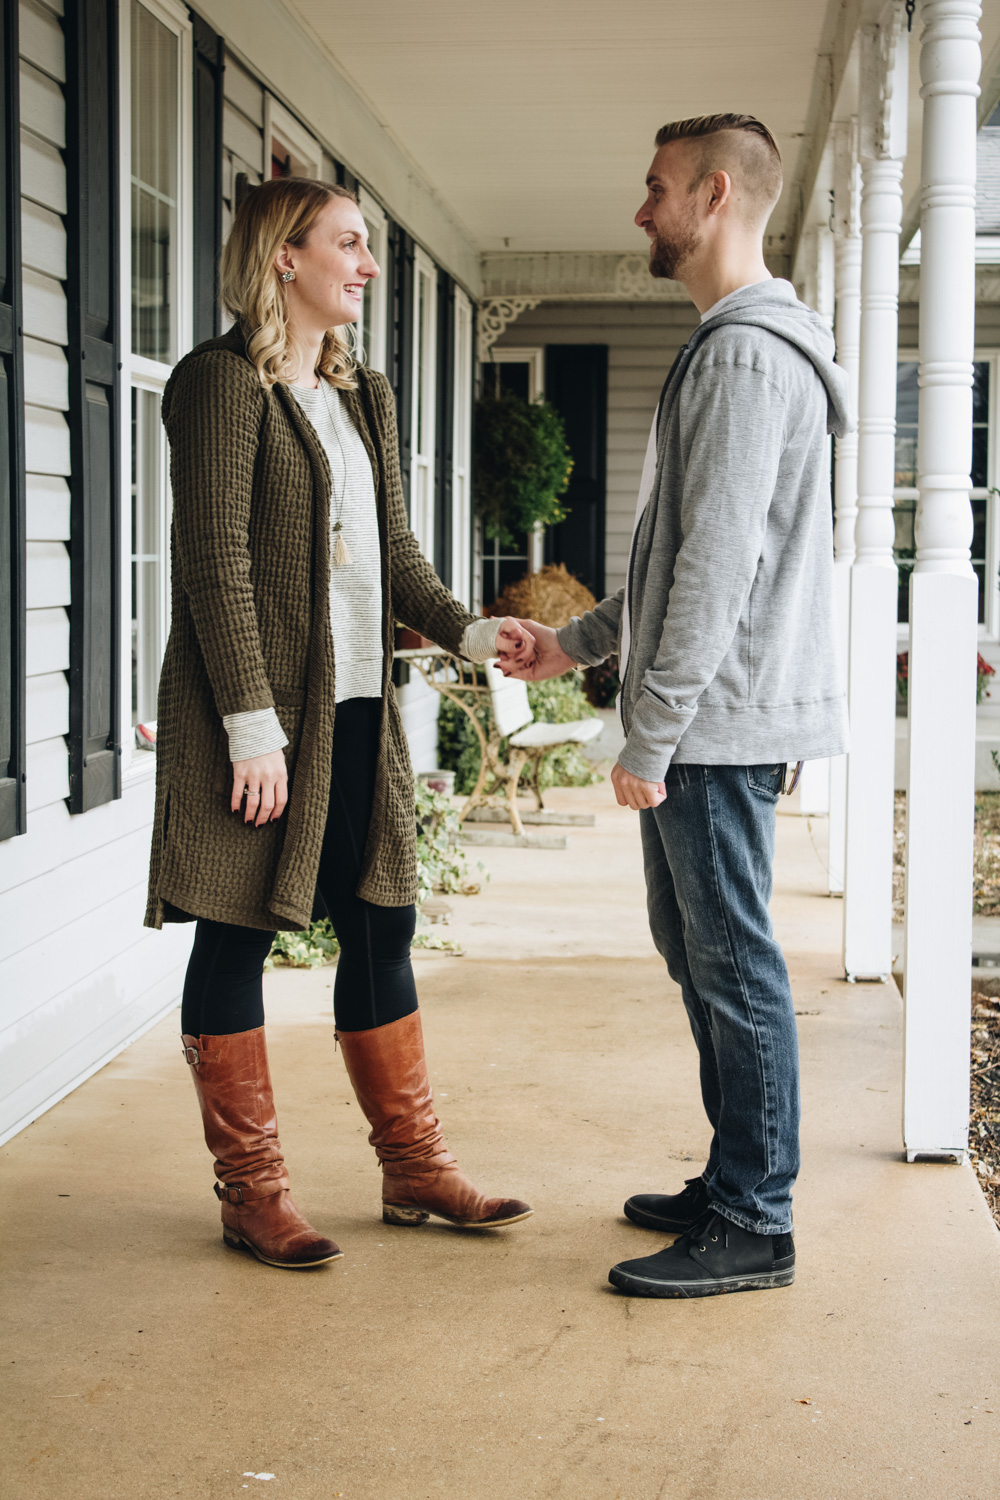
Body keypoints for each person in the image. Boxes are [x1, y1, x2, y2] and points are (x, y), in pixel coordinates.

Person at [146, 176, 532, 1269]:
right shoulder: (221, 386)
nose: (366, 266)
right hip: (259, 715)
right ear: (283, 256)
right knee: (237, 929)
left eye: (366, 247)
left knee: (383, 920)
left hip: (357, 706)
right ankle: (251, 1193)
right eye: (349, 245)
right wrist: (248, 726)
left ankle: (412, 1170)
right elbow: (213, 564)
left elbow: (395, 560)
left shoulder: (365, 394)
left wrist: (469, 633)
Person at [504, 115, 850, 1298]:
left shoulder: (750, 356)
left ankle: (755, 1217)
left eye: (654, 189)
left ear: (712, 195)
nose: (638, 210)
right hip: (707, 716)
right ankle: (734, 1177)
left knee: (734, 965)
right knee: (698, 953)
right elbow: (671, 554)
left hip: (717, 723)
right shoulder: (730, 344)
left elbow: (717, 572)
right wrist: (574, 646)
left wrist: (650, 732)